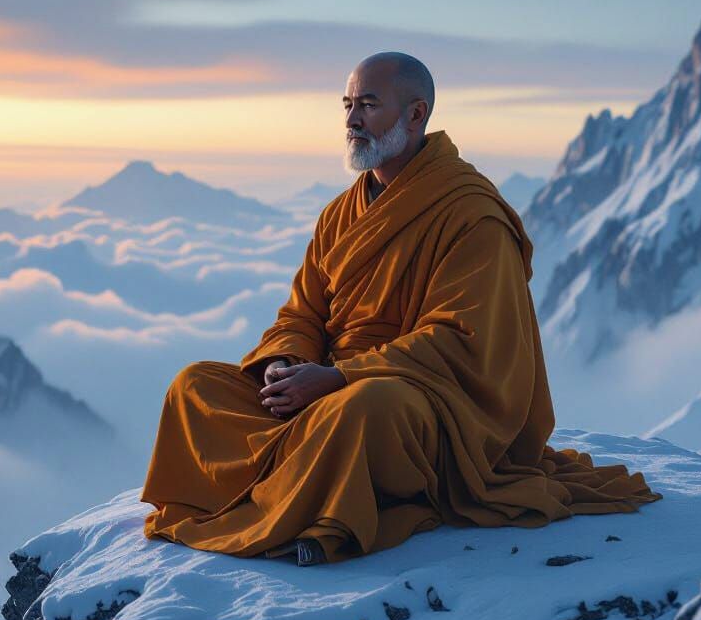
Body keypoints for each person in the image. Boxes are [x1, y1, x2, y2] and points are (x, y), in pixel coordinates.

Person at [140, 51, 661, 566]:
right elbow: (302, 312)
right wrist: (284, 364)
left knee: (364, 410)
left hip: (418, 400)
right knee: (195, 386)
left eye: (368, 104)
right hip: (323, 386)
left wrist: (339, 377)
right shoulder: (339, 214)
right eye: (346, 105)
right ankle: (289, 491)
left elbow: (461, 340)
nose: (352, 120)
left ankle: (317, 514)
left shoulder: (470, 214)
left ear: (416, 115)